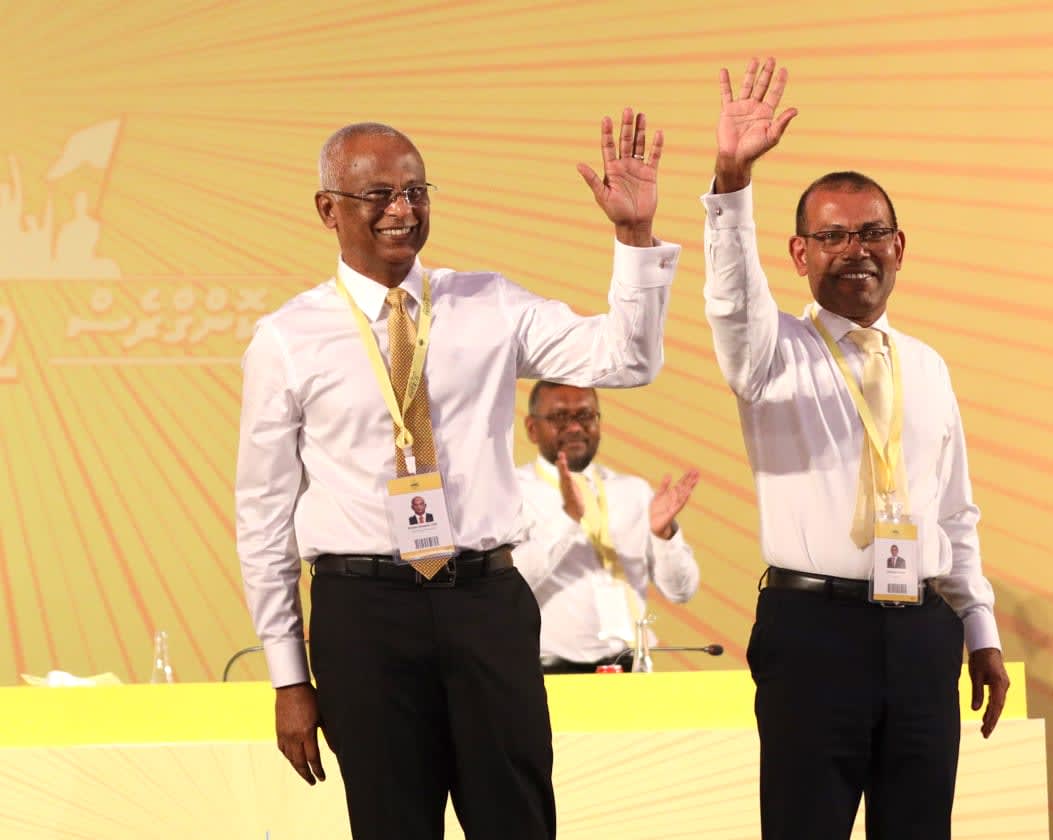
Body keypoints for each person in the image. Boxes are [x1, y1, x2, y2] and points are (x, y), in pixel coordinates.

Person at [236, 112, 679, 840]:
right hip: (363, 614)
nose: (403, 209)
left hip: (484, 603)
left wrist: (634, 238)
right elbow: (263, 514)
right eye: (379, 194)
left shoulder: (489, 303)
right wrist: (288, 676)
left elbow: (626, 360)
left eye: (416, 192)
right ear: (328, 209)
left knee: (518, 820)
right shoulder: (287, 339)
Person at [701, 58, 1010, 840]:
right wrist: (732, 182)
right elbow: (733, 302)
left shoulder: (928, 366)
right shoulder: (771, 353)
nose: (856, 250)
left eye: (871, 232)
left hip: (923, 632)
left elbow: (955, 513)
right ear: (799, 254)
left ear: (899, 245)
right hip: (814, 630)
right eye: (832, 236)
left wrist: (979, 631)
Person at [513, 381, 700, 673]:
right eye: (560, 416)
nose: (575, 427)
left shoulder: (633, 491)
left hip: (632, 671)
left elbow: (682, 591)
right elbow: (511, 582)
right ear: (532, 428)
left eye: (585, 415)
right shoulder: (514, 493)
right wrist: (568, 518)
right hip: (550, 676)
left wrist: (664, 536)